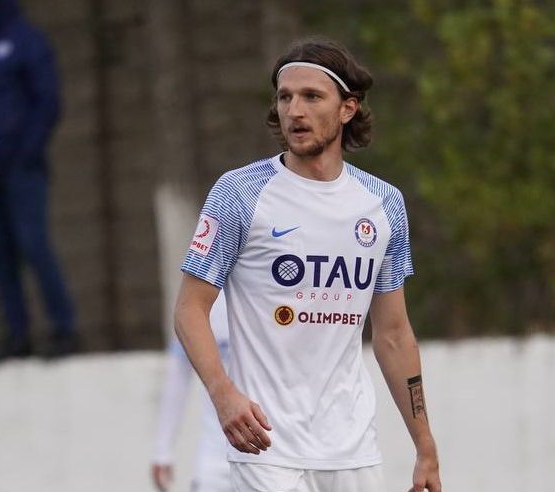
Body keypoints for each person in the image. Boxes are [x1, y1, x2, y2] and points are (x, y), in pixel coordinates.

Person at [173, 38, 442, 492]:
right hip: (267, 451)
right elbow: (189, 309)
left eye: (311, 97)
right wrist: (223, 395)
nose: (294, 111)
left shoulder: (383, 204)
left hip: (353, 451)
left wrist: (425, 444)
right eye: (285, 97)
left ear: (347, 109)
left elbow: (394, 335)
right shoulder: (239, 193)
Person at [0, 0, 77, 361]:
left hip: (21, 169)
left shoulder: (26, 40)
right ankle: (16, 333)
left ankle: (64, 327)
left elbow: (48, 101)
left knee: (33, 244)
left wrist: (25, 150)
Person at [151, 292, 233, 492]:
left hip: (273, 460)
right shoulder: (201, 301)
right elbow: (178, 379)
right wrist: (162, 449)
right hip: (214, 463)